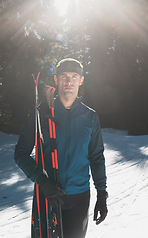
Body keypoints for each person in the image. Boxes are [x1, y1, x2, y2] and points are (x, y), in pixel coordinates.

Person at [14, 58, 108, 238]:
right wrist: (42, 181)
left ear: (81, 80)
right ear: (56, 80)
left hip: (79, 198)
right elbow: (20, 154)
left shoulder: (90, 117)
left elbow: (96, 157)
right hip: (48, 194)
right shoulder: (41, 113)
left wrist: (102, 194)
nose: (69, 81)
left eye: (74, 76)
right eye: (64, 76)